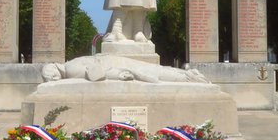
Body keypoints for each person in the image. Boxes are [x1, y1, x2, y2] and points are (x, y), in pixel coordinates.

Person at [40, 55, 208, 84]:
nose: (53, 79)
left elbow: (96, 73)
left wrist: (118, 73)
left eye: (51, 77)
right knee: (154, 70)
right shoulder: (69, 67)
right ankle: (187, 76)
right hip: (116, 64)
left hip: (115, 64)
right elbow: (97, 74)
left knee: (154, 70)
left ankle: (188, 77)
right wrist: (119, 75)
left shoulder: (70, 69)